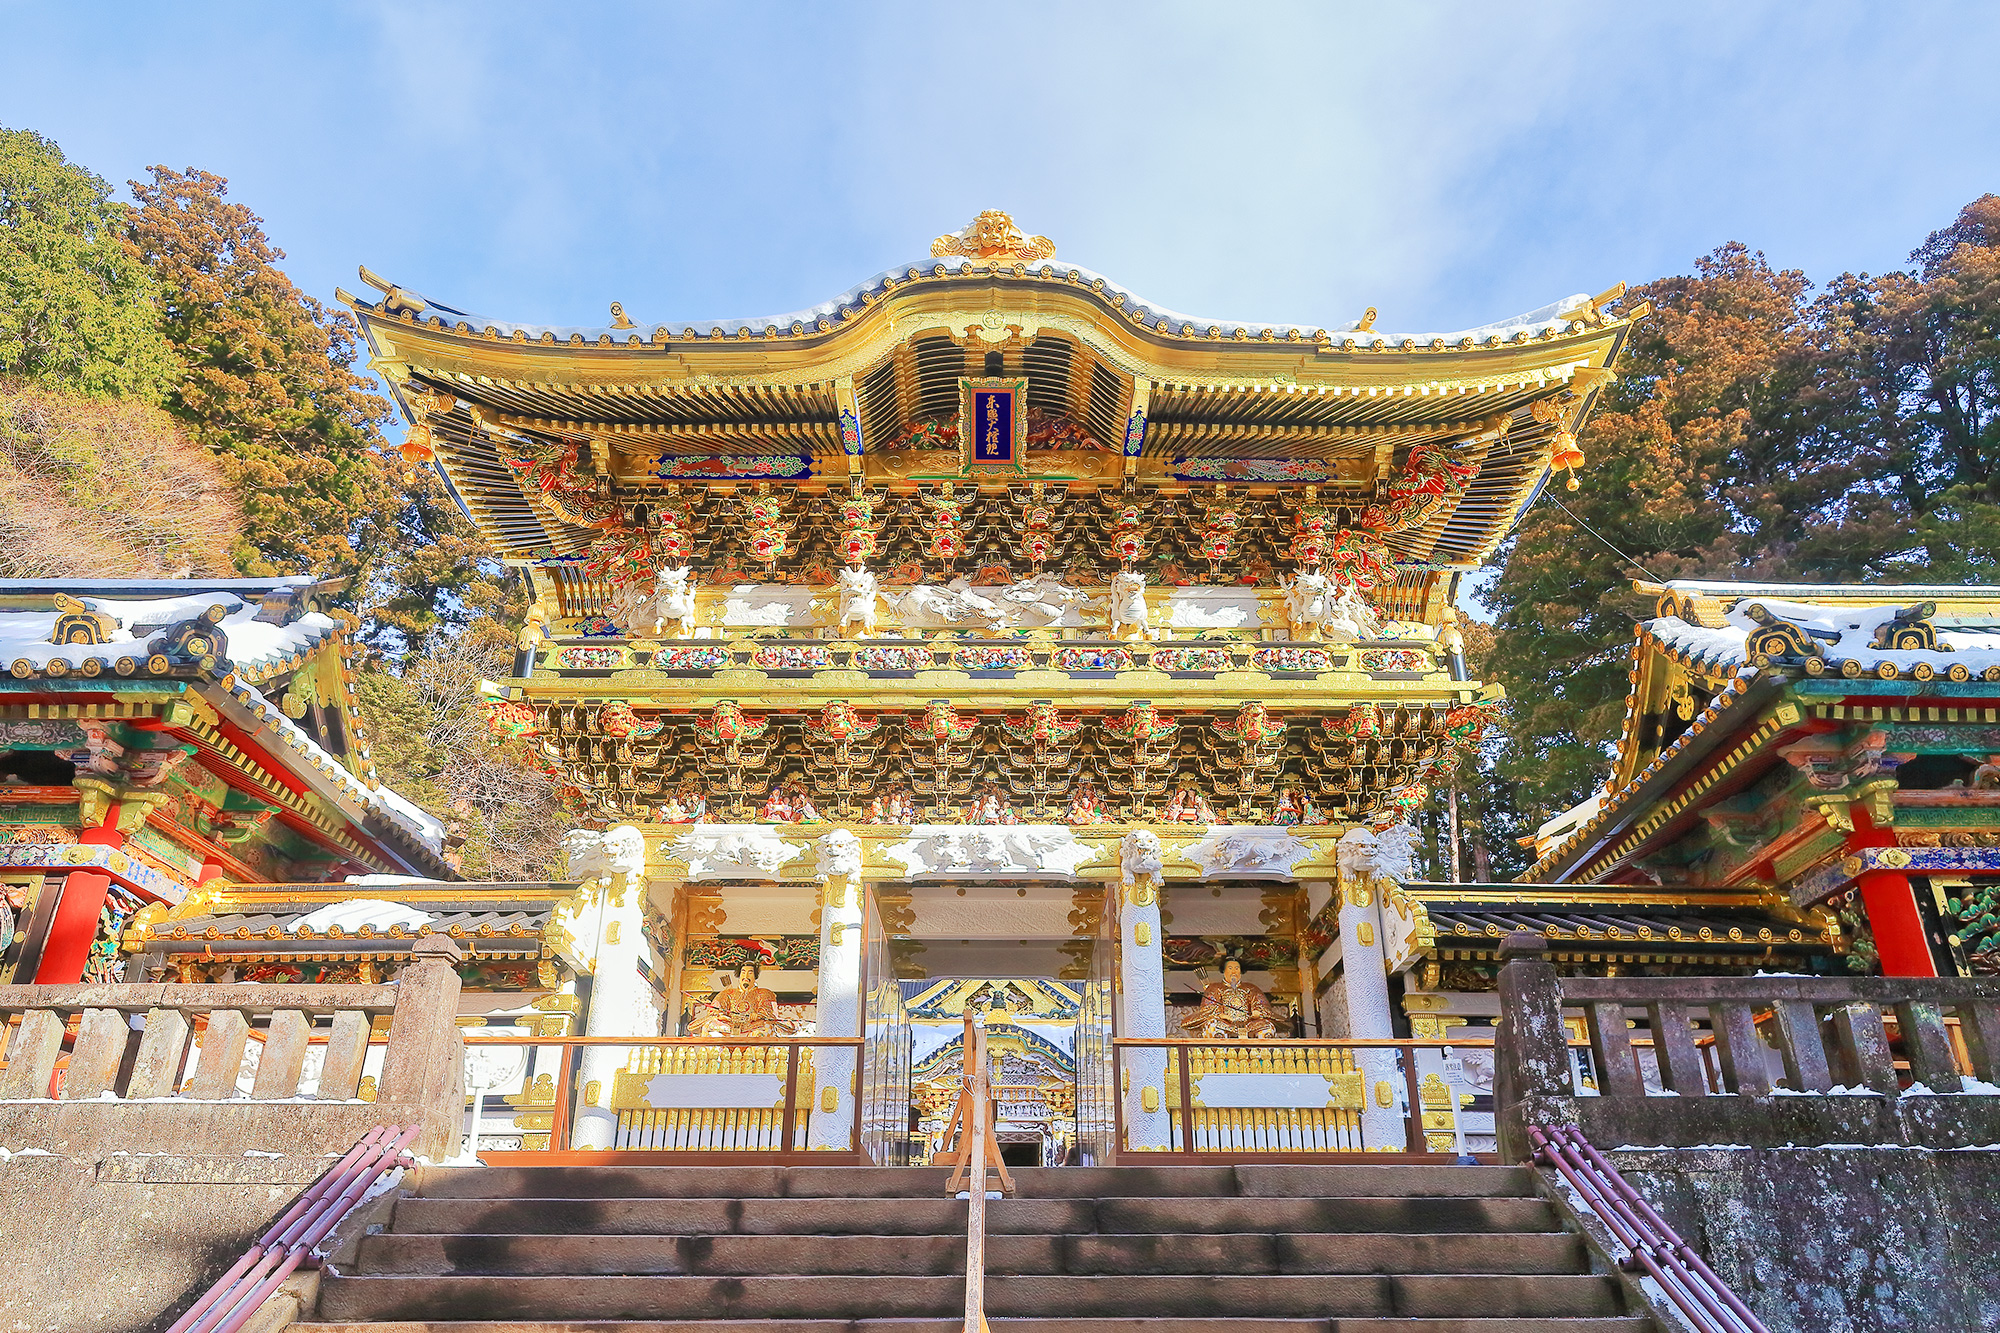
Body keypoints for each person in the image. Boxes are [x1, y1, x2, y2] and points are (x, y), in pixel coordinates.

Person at [689, 960, 794, 1037]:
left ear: (755, 976)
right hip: (729, 1028)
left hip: (753, 1027)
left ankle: (755, 1059)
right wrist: (721, 1016)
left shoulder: (764, 993)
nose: (746, 975)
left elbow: (770, 1014)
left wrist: (758, 1015)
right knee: (709, 1025)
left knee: (767, 1026)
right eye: (743, 972)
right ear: (739, 975)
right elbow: (713, 1010)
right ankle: (716, 1059)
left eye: (750, 972)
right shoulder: (727, 993)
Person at [1185, 959, 1281, 1039]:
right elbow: (1208, 1008)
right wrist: (1220, 1015)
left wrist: (1257, 1012)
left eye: (1237, 968)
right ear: (1224, 971)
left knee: (1267, 1026)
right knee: (1212, 1025)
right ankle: (1221, 1056)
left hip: (1249, 1024)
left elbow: (1261, 1004)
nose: (1234, 972)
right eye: (1230, 968)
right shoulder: (1214, 988)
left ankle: (1260, 1057)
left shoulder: (1250, 988)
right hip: (1225, 1024)